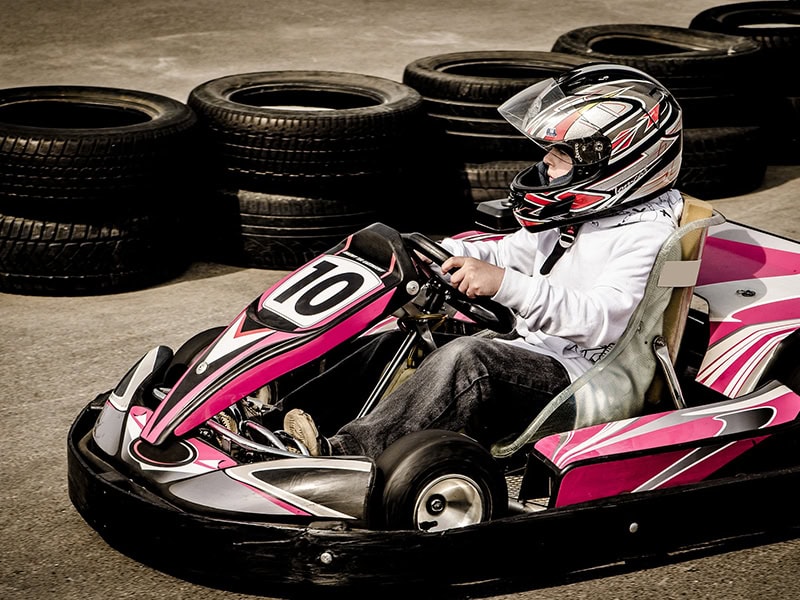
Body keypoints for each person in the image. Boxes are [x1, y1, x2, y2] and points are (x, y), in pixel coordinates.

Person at [282, 63, 685, 458]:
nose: (547, 162)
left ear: (618, 158)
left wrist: (503, 284)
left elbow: (602, 321)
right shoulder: (583, 216)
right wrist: (440, 254)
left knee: (468, 360)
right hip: (532, 351)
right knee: (399, 339)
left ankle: (344, 457)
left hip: (589, 381)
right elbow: (508, 253)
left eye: (562, 153)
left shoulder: (646, 235)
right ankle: (279, 417)